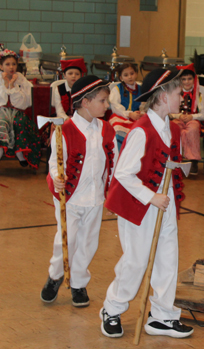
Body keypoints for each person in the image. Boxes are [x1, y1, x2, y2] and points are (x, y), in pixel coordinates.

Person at [101, 68, 193, 339]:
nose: (182, 97)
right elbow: (123, 173)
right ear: (163, 96)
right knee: (137, 260)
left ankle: (162, 316)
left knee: (167, 258)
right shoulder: (142, 130)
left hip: (165, 204)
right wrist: (151, 196)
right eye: (178, 93)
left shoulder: (172, 128)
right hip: (138, 205)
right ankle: (112, 308)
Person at [40, 75, 117, 307]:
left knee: (88, 242)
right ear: (85, 102)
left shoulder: (106, 129)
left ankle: (79, 283)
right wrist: (57, 177)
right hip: (70, 197)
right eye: (103, 101)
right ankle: (56, 275)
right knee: (66, 238)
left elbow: (114, 162)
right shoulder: (64, 130)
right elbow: (55, 163)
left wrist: (112, 191)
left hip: (95, 198)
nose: (107, 105)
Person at [0, 48, 40, 168]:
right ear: (1, 66)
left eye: (13, 64)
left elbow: (25, 102)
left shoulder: (22, 80)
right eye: (7, 64)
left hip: (18, 112)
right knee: (1, 123)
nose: (11, 67)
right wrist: (5, 84)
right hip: (1, 112)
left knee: (20, 122)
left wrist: (13, 86)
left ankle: (21, 154)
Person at [170, 64, 204, 175]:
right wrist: (178, 116)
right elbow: (170, 112)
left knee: (192, 130)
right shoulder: (175, 93)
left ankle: (193, 160)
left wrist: (192, 117)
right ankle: (175, 158)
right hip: (178, 118)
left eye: (189, 79)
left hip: (193, 119)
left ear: (194, 79)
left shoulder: (200, 93)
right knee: (175, 128)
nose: (187, 82)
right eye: (184, 79)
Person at [108, 63, 143, 150]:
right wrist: (129, 114)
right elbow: (115, 106)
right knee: (118, 129)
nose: (130, 77)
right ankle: (119, 153)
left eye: (132, 73)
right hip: (120, 116)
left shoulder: (141, 88)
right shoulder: (116, 89)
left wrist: (141, 113)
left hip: (137, 116)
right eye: (126, 75)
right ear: (121, 78)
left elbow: (144, 104)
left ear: (136, 74)